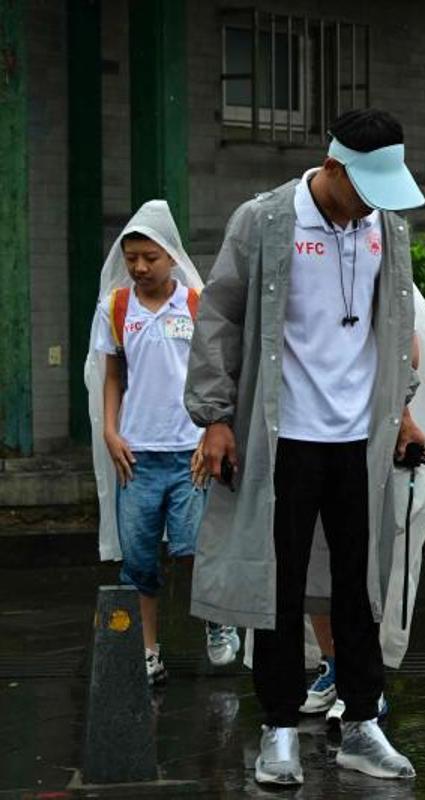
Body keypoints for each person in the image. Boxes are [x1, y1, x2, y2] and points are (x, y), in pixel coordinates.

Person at [186, 109, 425, 785]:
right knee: (278, 586)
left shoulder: (386, 228)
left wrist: (402, 409)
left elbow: (396, 320)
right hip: (283, 435)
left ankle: (361, 724)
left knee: (358, 587)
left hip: (360, 439)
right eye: (364, 187)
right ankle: (280, 728)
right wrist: (214, 416)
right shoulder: (264, 220)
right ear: (333, 168)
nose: (370, 206)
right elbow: (219, 314)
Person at [84, 199, 240, 684]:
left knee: (195, 547)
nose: (140, 267)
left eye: (150, 257)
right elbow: (112, 375)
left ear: (171, 255)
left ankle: (217, 621)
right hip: (136, 455)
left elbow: (216, 373)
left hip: (188, 452)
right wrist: (111, 433)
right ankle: (148, 650)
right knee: (138, 560)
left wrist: (206, 436)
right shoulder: (116, 306)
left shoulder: (195, 302)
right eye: (132, 257)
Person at [300, 286, 425, 722]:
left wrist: (401, 418)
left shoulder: (379, 269)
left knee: (361, 566)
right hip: (309, 437)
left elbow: (407, 348)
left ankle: (363, 681)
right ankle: (332, 664)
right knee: (314, 562)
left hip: (365, 442)